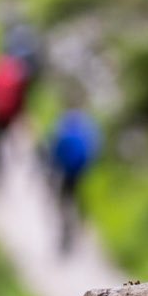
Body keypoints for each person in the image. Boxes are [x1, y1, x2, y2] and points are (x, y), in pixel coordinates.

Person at [47, 108, 100, 252]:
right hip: (80, 171)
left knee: (64, 199)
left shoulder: (62, 128)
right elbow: (95, 149)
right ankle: (82, 224)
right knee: (77, 197)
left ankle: (67, 227)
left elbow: (55, 150)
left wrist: (53, 168)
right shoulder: (87, 129)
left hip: (66, 172)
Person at [0, 50, 30, 189]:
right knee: (5, 135)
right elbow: (21, 99)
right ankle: (15, 157)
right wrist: (20, 116)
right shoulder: (18, 73)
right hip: (8, 115)